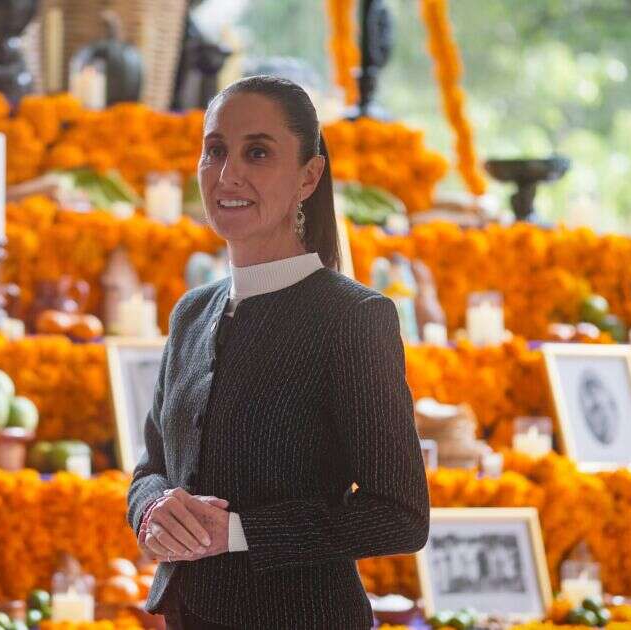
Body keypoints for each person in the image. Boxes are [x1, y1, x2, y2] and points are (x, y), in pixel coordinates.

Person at [126, 75, 430, 629]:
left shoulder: (352, 318)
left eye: (257, 152)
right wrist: (153, 508)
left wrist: (237, 533)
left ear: (309, 175)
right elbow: (150, 467)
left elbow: (402, 515)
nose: (227, 174)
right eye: (214, 150)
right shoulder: (191, 313)